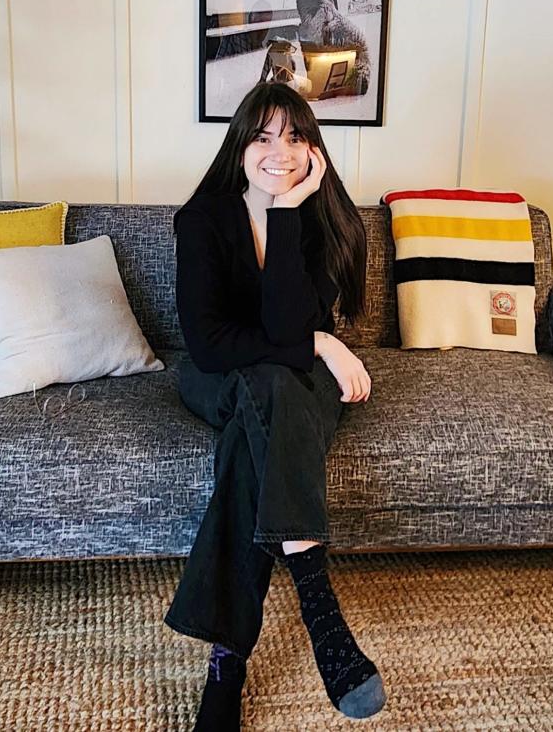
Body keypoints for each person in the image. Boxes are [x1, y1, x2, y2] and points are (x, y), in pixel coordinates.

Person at [163, 82, 384, 730]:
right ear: (239, 146)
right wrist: (320, 341)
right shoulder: (202, 220)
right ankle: (323, 615)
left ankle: (226, 669)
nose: (276, 150)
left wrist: (287, 212)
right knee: (266, 380)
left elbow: (288, 323)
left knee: (263, 415)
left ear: (312, 148)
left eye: (292, 136)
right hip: (214, 374)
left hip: (289, 381)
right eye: (261, 135)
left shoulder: (317, 221)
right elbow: (209, 344)